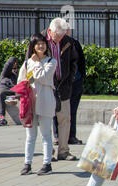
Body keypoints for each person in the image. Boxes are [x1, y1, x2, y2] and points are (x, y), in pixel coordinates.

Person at [17, 34, 57, 175]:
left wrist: (36, 63)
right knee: (30, 135)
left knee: (46, 134)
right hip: (30, 103)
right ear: (33, 46)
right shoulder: (28, 62)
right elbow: (21, 80)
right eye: (37, 44)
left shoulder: (51, 61)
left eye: (43, 43)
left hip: (45, 101)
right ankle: (27, 163)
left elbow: (44, 77)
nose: (41, 46)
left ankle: (47, 164)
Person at [43, 17, 78, 161]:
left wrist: (69, 80)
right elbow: (29, 62)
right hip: (46, 87)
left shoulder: (67, 41)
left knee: (65, 119)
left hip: (63, 87)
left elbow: (73, 62)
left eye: (62, 36)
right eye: (57, 36)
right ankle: (48, 152)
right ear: (50, 31)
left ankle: (63, 151)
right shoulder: (39, 41)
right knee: (46, 120)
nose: (59, 40)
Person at [67, 26, 86, 145]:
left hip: (76, 82)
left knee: (72, 111)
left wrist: (81, 78)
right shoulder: (54, 45)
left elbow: (81, 62)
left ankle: (71, 136)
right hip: (62, 84)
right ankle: (58, 136)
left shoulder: (74, 43)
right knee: (58, 112)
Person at [0, 57, 18, 126]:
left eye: (16, 68)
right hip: (5, 88)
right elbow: (8, 64)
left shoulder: (19, 74)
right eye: (13, 68)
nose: (15, 69)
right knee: (0, 93)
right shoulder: (6, 74)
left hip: (16, 90)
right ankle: (2, 118)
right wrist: (14, 59)